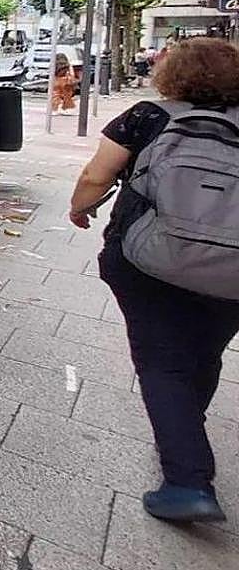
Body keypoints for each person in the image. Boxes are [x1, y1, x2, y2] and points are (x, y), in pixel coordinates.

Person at [70, 37, 239, 523]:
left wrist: (80, 209)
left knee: (160, 359)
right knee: (205, 349)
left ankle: (187, 479)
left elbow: (96, 176)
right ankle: (187, 420)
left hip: (150, 260)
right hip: (233, 271)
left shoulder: (148, 117)